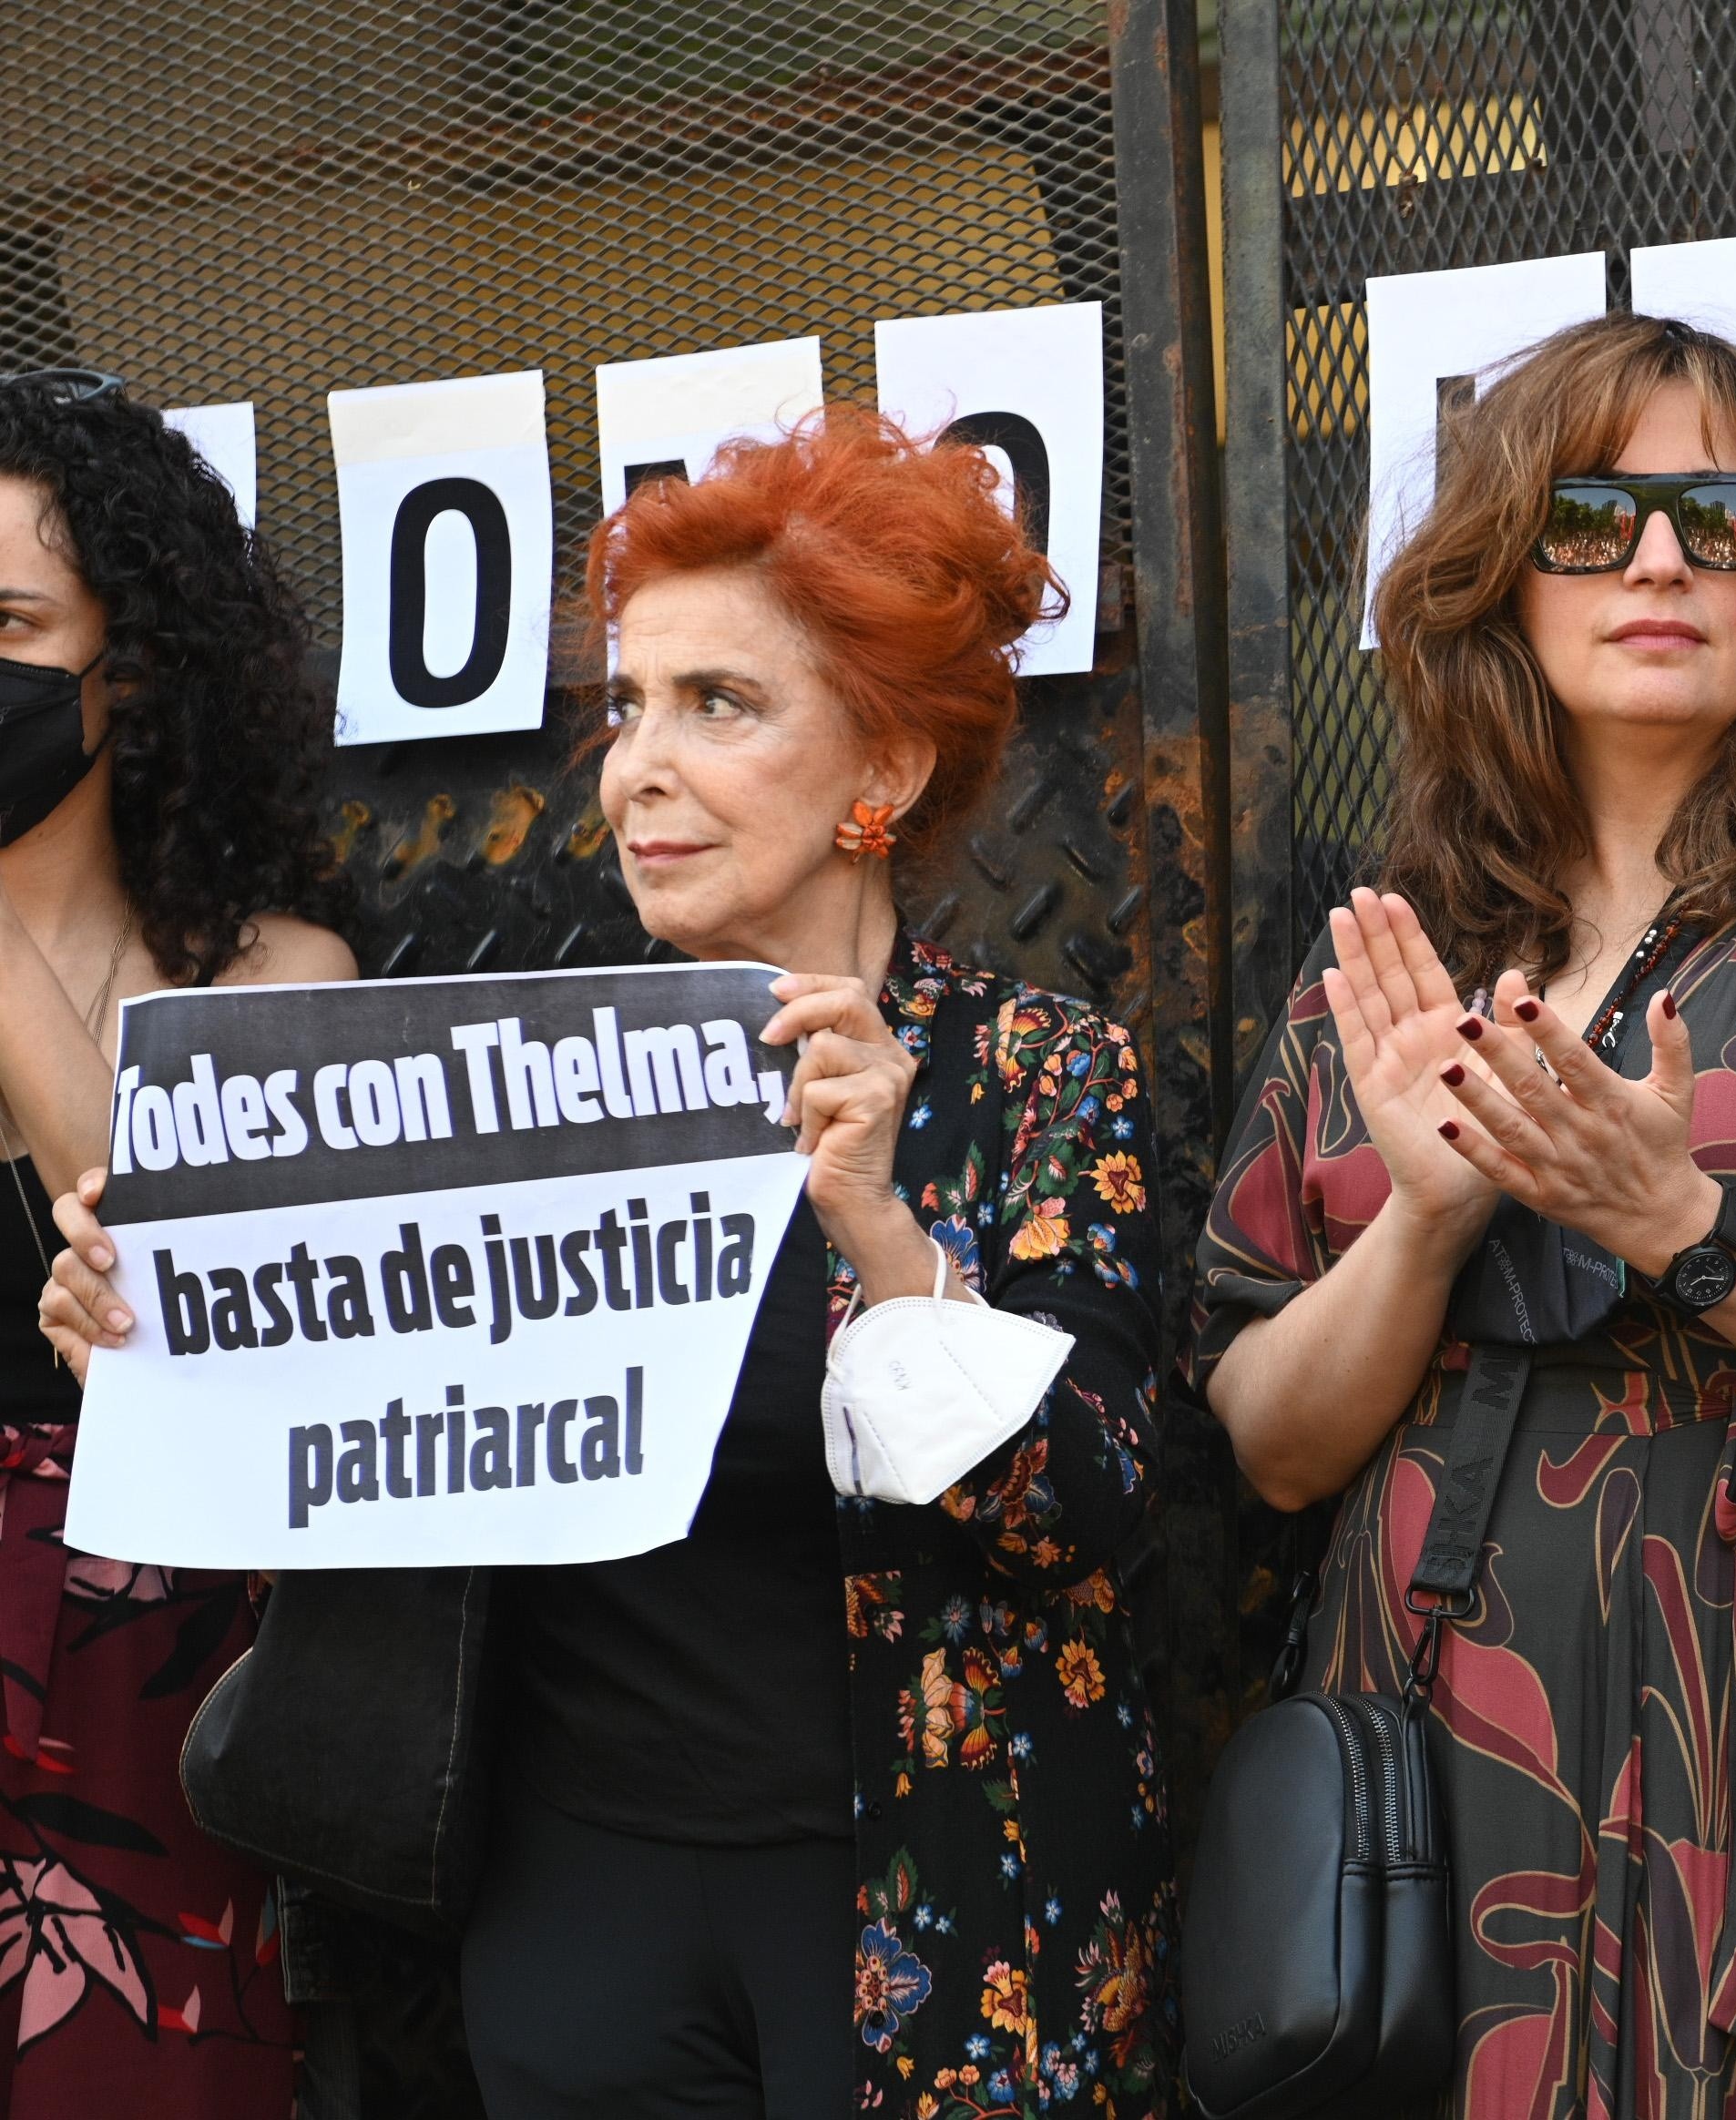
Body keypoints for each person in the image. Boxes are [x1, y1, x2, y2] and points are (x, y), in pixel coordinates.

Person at [49, 410, 1172, 2117]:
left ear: (884, 769)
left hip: (943, 1902)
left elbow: (1096, 1507)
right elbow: (359, 1449)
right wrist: (150, 1344)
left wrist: (878, 1226)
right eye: (630, 704)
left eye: (718, 704)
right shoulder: (507, 1079)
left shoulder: (1038, 1070)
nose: (637, 762)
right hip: (580, 1916)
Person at [1195, 313, 1736, 2116]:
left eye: (1724, 520)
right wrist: (1428, 1227)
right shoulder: (1400, 943)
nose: (1663, 560)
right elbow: (1272, 1447)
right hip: (1457, 1788)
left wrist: (1688, 1225)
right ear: (1503, 581)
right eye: (1593, 520)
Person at [0, 369, 352, 2113]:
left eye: (3, 624)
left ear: (128, 670)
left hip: (152, 1703)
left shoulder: (276, 974)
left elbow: (176, 1269)